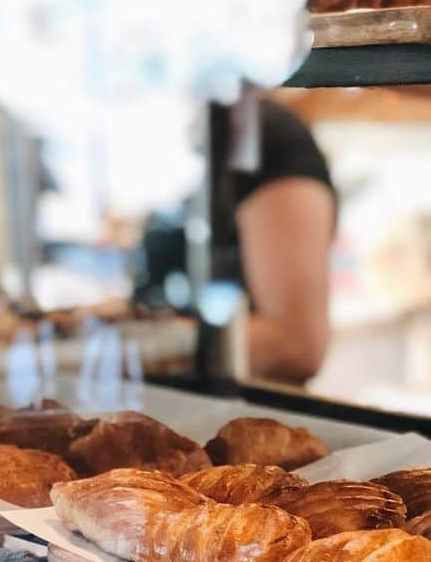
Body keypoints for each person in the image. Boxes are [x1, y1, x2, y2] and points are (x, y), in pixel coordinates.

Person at [137, 98, 336, 384]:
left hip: (236, 414)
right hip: (170, 406)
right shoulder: (173, 134)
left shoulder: (259, 132)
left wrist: (131, 348)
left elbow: (296, 345)